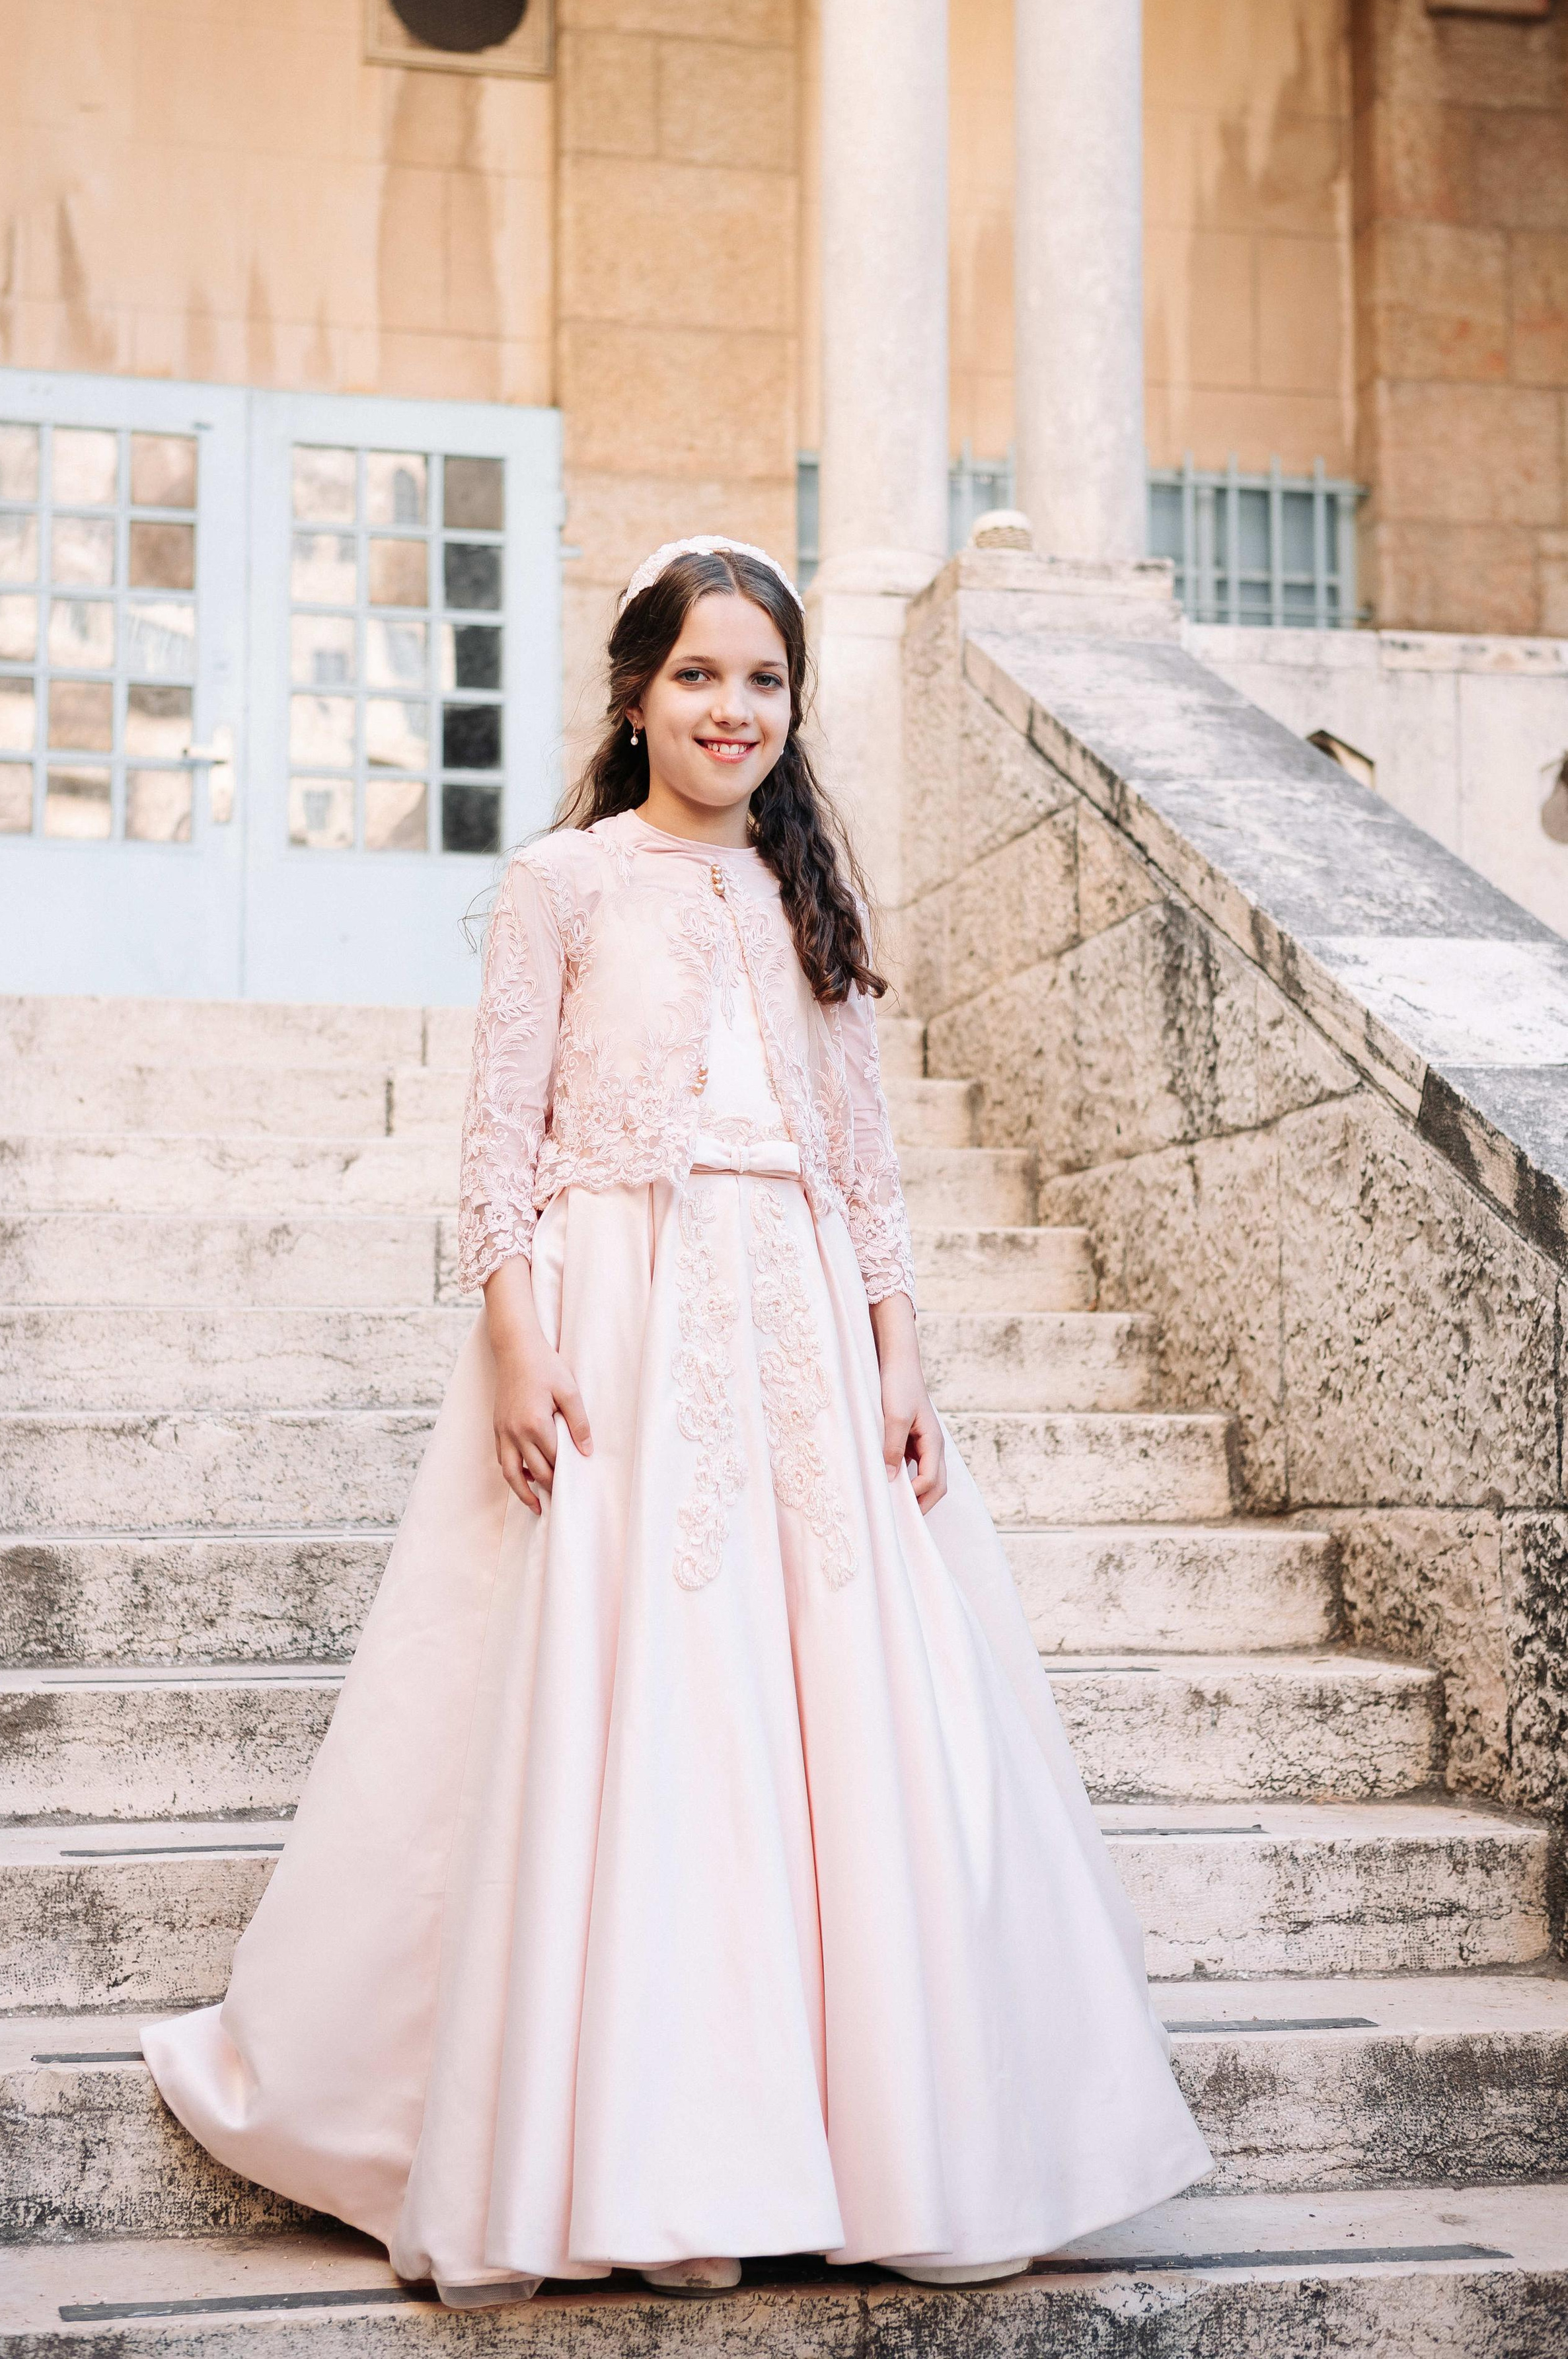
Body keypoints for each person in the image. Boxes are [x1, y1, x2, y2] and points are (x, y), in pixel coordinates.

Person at [143, 535, 1210, 2305]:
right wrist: (519, 1337)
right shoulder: (565, 883)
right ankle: (635, 2161)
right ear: (637, 692)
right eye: (701, 675)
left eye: (768, 681)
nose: (736, 710)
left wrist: (901, 1348)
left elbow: (860, 1155)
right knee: (629, 1707)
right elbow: (497, 1138)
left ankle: (842, 2140)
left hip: (791, 1320)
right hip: (616, 1308)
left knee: (827, 1739)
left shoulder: (811, 898)